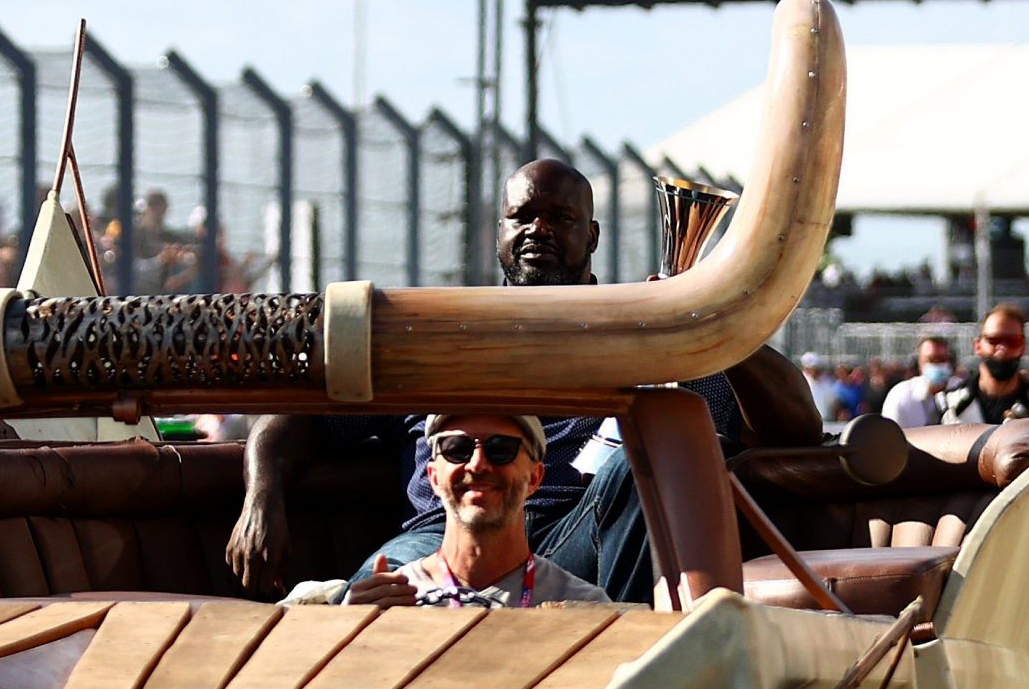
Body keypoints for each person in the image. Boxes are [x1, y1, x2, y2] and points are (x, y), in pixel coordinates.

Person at [224, 157, 737, 602]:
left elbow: (795, 426)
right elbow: (295, 420)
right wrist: (261, 501)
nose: (540, 230)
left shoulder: (643, 337)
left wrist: (700, 313)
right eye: (522, 217)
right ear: (500, 232)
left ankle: (631, 661)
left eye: (561, 218)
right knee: (362, 612)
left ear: (592, 236)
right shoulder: (435, 335)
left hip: (574, 540)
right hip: (439, 538)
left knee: (637, 462)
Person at [290, 414, 611, 609]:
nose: (477, 463)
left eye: (501, 450)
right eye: (456, 450)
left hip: (565, 526)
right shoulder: (416, 357)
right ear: (433, 475)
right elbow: (301, 421)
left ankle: (640, 636)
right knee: (378, 589)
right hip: (436, 527)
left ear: (535, 476)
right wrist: (261, 498)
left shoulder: (598, 355)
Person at [940, 305, 1029, 424]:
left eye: (1013, 341)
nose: (1002, 348)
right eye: (994, 340)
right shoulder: (950, 404)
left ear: (1023, 347)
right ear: (977, 346)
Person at [881, 336, 957, 428]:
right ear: (919, 363)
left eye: (941, 359)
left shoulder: (964, 392)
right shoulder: (900, 395)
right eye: (931, 360)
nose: (937, 365)